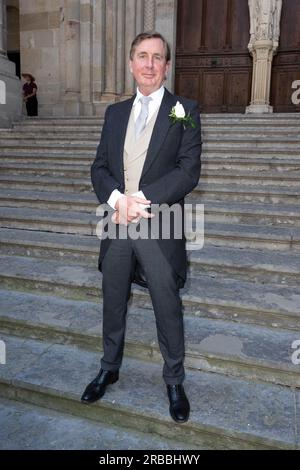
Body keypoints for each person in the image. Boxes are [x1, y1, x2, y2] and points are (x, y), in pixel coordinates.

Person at [81, 32, 202, 424]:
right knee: (112, 298)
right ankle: (109, 367)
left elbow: (188, 171)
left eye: (157, 58)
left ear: (166, 66)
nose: (149, 64)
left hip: (159, 223)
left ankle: (174, 380)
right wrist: (118, 201)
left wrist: (141, 199)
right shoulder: (114, 113)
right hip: (116, 223)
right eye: (142, 56)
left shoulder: (184, 109)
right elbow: (99, 167)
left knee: (167, 305)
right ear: (132, 63)